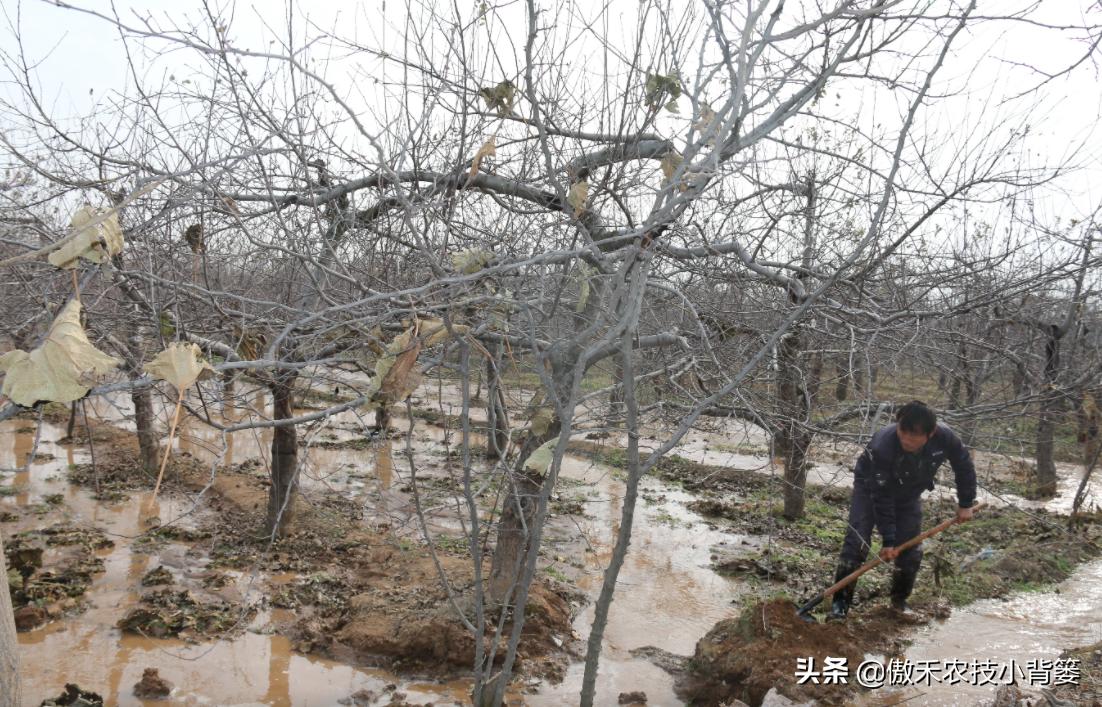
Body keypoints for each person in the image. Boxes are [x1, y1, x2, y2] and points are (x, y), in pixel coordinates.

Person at [829, 400, 977, 619]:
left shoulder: (945, 438)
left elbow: (963, 465)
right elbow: (882, 496)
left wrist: (966, 503)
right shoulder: (883, 447)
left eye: (914, 436)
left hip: (909, 491)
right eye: (903, 432)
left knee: (910, 550)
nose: (907, 440)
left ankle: (899, 602)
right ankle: (839, 606)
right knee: (857, 541)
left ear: (931, 433)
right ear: (897, 426)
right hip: (871, 488)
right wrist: (888, 540)